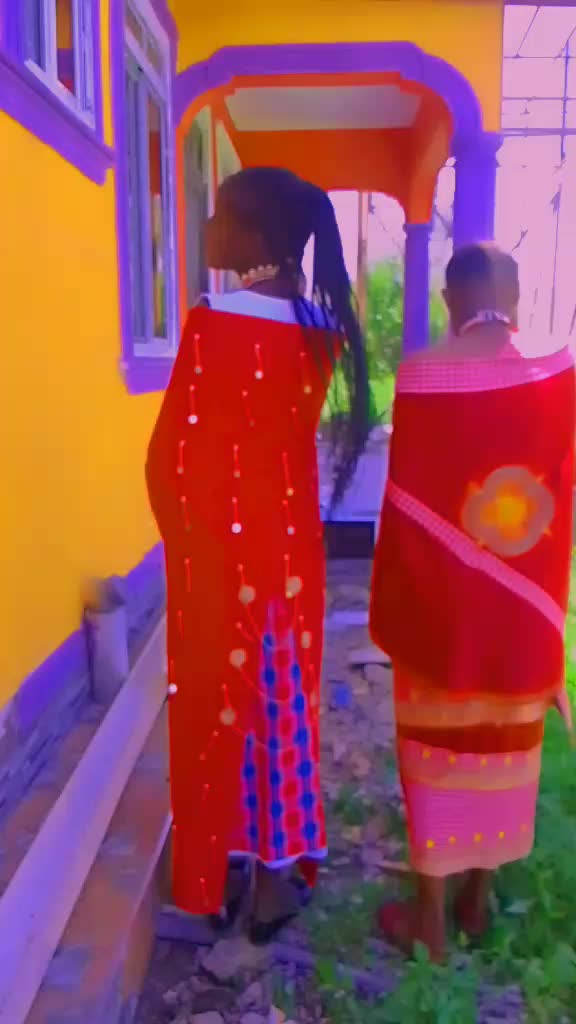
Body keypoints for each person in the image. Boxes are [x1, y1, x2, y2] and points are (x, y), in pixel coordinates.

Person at [146, 167, 370, 942]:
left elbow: (178, 452)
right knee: (280, 708)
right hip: (290, 552)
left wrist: (183, 534)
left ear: (253, 236)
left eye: (218, 216)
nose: (207, 228)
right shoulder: (319, 328)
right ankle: (271, 878)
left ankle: (219, 872)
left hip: (220, 553)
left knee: (220, 708)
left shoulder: (213, 322)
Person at [370, 242, 575, 962]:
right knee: (505, 748)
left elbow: (405, 502)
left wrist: (397, 603)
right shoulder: (559, 372)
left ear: (450, 300)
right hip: (524, 616)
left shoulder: (423, 374)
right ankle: (477, 904)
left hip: (443, 615)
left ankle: (429, 918)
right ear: (514, 297)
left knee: (435, 752)